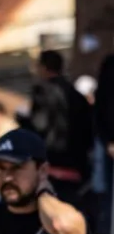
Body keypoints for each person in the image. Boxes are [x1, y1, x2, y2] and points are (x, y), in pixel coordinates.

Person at [25, 50, 94, 209]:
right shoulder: (76, 95)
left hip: (51, 164)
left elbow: (39, 126)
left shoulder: (42, 91)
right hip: (76, 166)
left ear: (43, 67)